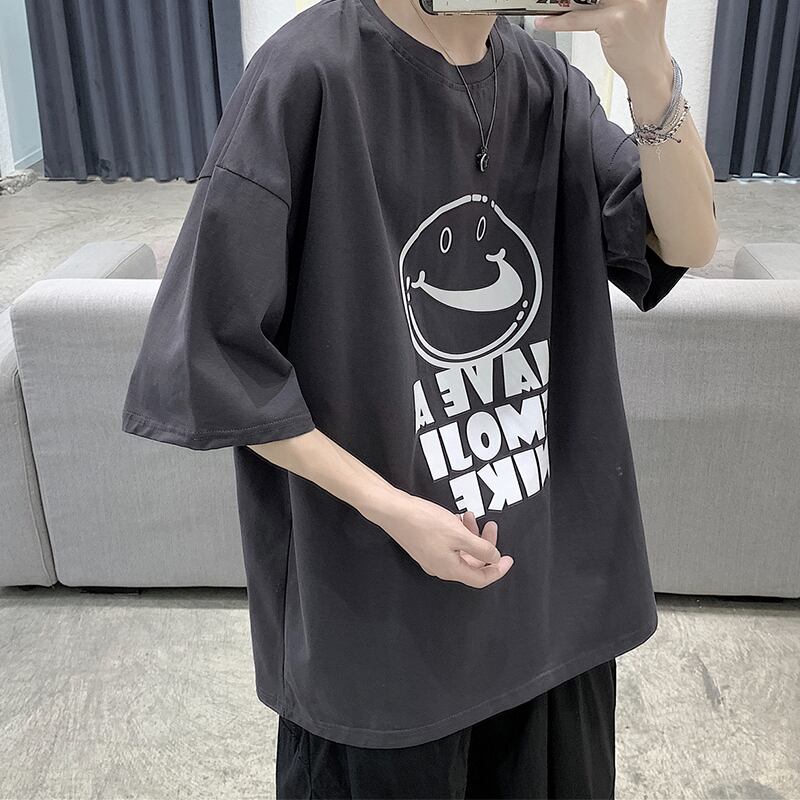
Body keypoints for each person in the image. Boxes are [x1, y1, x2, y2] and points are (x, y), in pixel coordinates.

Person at [121, 0, 718, 795]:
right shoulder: (307, 76)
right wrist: (394, 510)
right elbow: (214, 354)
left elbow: (686, 241)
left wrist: (648, 71)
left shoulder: (546, 83)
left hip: (548, 612)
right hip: (380, 631)